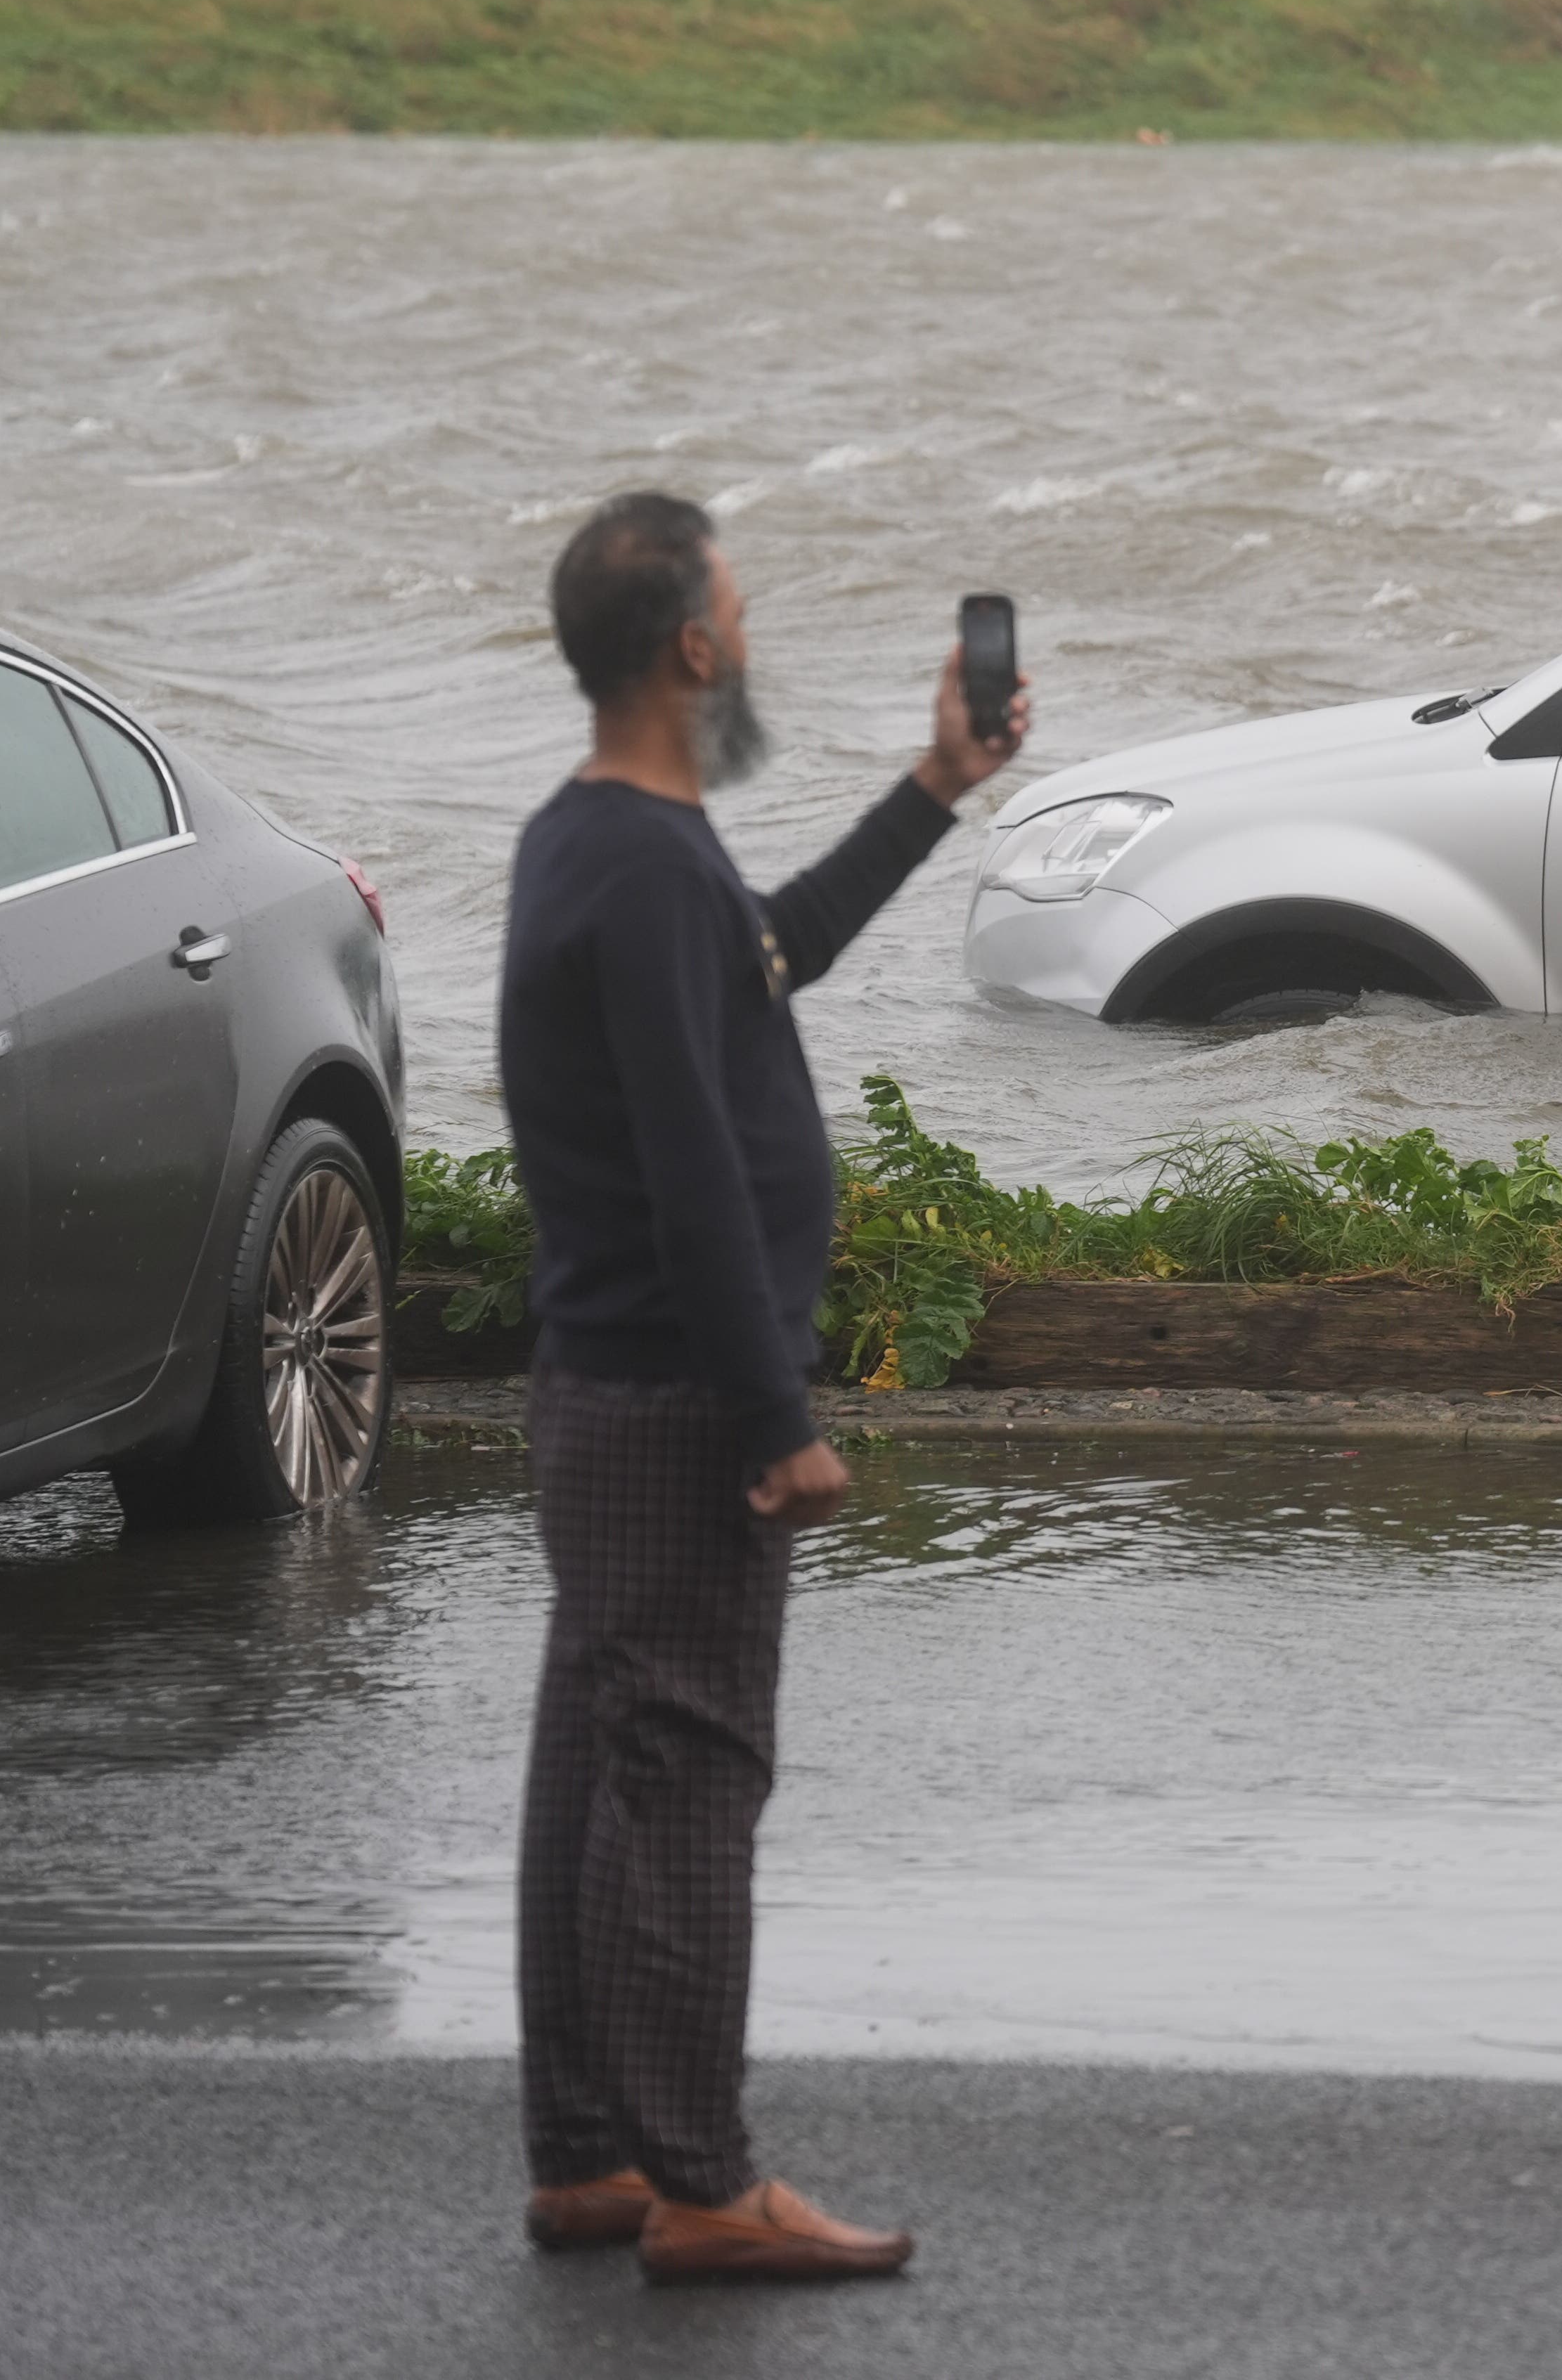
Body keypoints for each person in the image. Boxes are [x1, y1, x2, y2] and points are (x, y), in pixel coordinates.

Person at [498, 493, 1025, 2284]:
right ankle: (705, 2183)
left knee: (602, 1757)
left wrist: (933, 789)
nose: (753, 627)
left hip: (605, 1387)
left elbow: (766, 957)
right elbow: (695, 1163)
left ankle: (592, 2158)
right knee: (692, 1772)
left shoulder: (597, 843)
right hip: (671, 1405)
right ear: (695, 650)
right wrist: (775, 1414)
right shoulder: (641, 866)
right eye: (740, 602)